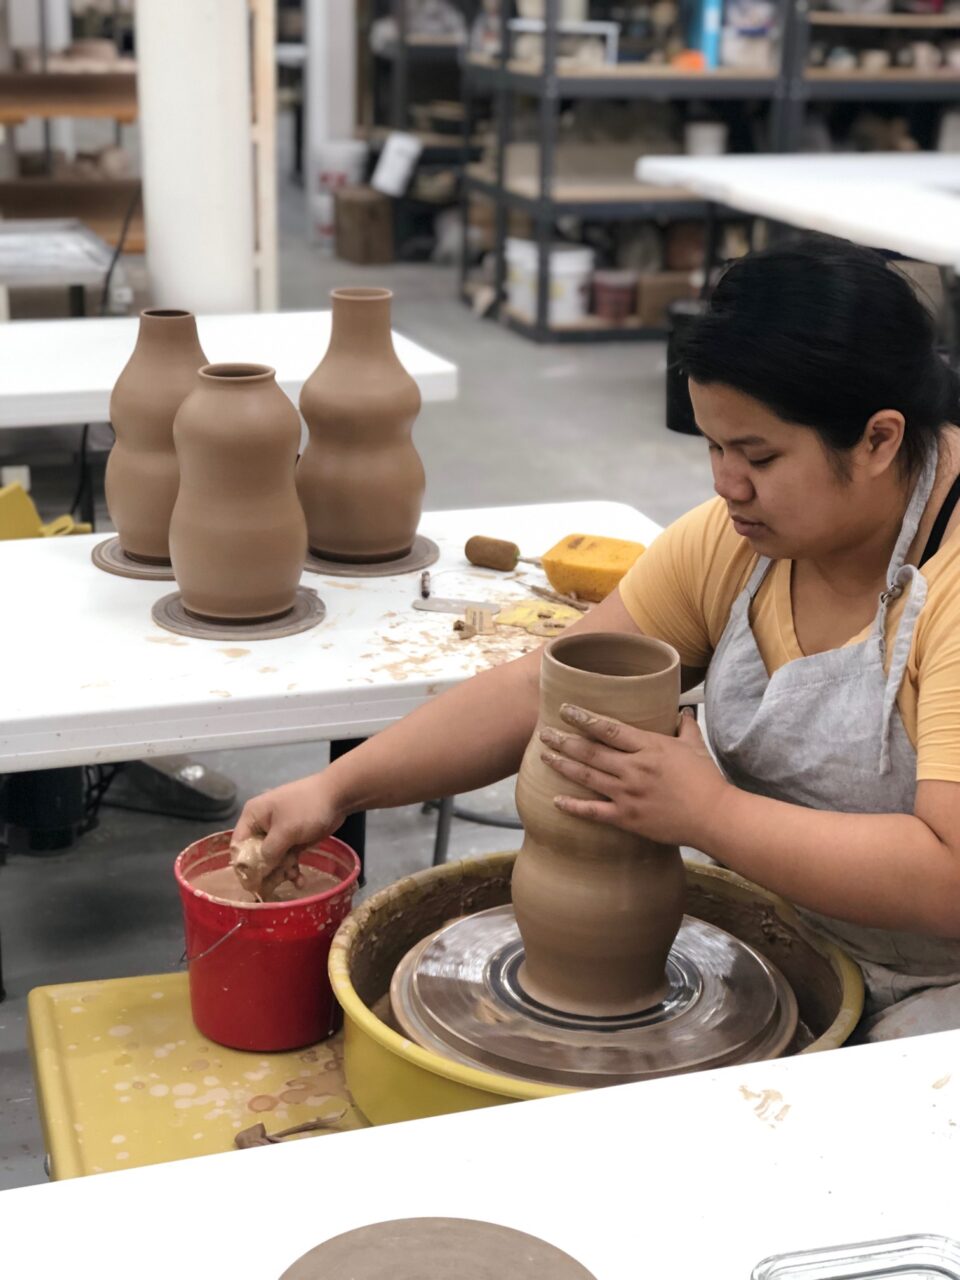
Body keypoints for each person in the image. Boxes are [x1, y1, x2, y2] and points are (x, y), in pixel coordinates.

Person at [235, 236, 960, 1041]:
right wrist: (337, 791)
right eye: (715, 446)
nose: (726, 485)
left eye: (758, 454)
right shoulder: (735, 540)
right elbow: (537, 689)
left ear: (880, 440)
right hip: (798, 926)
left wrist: (710, 813)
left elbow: (950, 876)